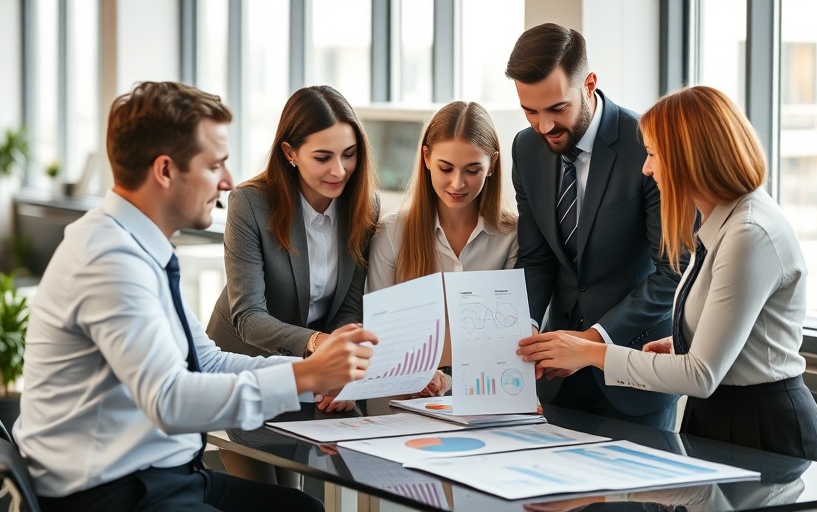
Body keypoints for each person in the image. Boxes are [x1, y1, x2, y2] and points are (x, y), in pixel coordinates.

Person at [13, 81, 377, 512]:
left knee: (304, 509)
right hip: (110, 492)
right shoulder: (108, 261)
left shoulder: (141, 246)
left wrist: (313, 370)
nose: (227, 181)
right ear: (166, 171)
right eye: (215, 165)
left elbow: (208, 361)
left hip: (164, 476)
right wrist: (306, 377)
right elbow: (170, 400)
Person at [519, 85, 817, 464]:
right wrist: (682, 342)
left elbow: (700, 375)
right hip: (719, 417)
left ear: (690, 157)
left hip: (765, 426)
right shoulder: (720, 222)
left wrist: (592, 352)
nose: (646, 168)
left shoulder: (749, 233)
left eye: (653, 154)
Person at [505, 23, 685, 429]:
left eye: (556, 108)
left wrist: (592, 342)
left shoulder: (647, 143)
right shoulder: (526, 147)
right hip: (554, 379)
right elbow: (536, 258)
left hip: (634, 376)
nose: (543, 126)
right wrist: (528, 331)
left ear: (589, 83)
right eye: (529, 111)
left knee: (632, 497)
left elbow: (672, 271)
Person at [204, 85, 379, 483]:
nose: (339, 171)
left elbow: (349, 306)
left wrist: (336, 369)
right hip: (244, 364)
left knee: (299, 490)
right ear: (290, 153)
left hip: (310, 376)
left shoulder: (364, 206)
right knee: (265, 496)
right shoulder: (251, 203)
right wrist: (320, 347)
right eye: (323, 157)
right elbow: (248, 316)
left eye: (349, 155)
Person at [367, 101, 518, 395]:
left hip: (483, 397)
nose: (457, 183)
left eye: (472, 170)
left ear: (493, 165)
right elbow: (378, 335)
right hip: (402, 401)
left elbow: (509, 339)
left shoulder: (512, 237)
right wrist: (418, 374)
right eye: (445, 168)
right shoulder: (392, 232)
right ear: (426, 157)